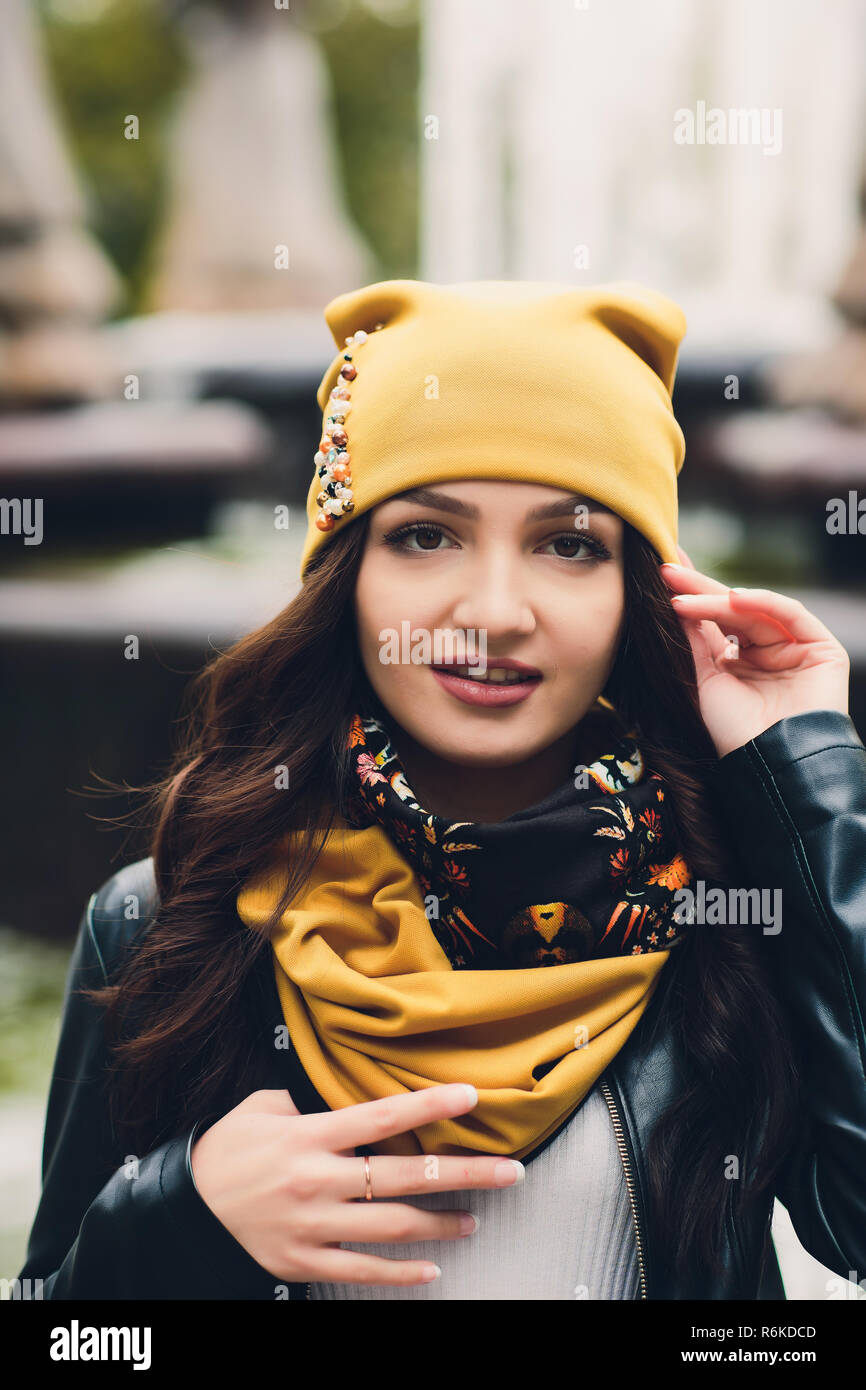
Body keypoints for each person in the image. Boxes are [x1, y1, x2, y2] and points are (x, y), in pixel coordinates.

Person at [19, 279, 866, 1301]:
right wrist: (175, 1218)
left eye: (569, 543)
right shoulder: (166, 919)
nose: (494, 608)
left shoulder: (730, 913)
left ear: (635, 590)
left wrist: (807, 770)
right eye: (425, 534)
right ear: (347, 574)